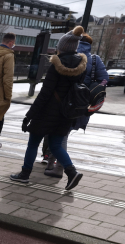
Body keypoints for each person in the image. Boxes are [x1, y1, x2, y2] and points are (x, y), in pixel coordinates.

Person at [10, 26, 86, 191]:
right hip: (66, 113)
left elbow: (44, 94)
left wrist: (29, 116)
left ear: (62, 47)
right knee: (57, 145)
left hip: (48, 112)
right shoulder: (81, 66)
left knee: (33, 143)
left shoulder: (56, 66)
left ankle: (25, 174)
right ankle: (72, 172)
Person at [44, 29, 108, 179]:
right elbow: (104, 79)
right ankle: (51, 162)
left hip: (61, 102)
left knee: (60, 134)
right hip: (81, 102)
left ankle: (61, 167)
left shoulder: (67, 55)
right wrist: (90, 89)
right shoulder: (94, 59)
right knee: (62, 134)